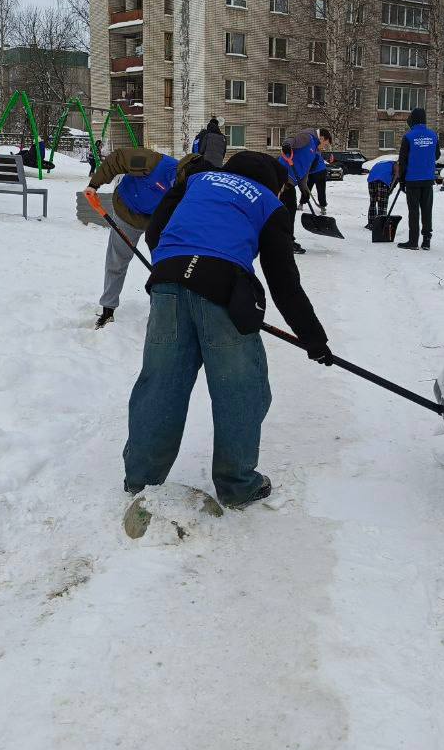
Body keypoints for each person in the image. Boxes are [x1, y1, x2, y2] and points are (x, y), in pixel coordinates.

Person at [124, 151, 332, 507]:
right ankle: (238, 485)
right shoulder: (269, 203)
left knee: (161, 384)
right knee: (242, 389)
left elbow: (156, 232)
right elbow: (284, 281)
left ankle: (141, 479)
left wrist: (176, 268)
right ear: (276, 185)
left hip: (167, 284)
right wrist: (314, 339)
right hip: (222, 291)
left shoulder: (194, 182)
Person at [84, 145, 180, 329]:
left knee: (164, 264)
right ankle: (108, 309)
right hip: (127, 210)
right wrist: (94, 184)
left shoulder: (188, 188)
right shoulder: (152, 163)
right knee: (117, 260)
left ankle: (163, 308)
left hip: (158, 220)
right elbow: (118, 158)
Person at [396, 108, 438, 250]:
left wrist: (401, 181)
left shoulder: (408, 137)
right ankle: (426, 240)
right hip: (428, 179)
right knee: (427, 210)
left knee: (414, 211)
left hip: (412, 180)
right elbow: (437, 155)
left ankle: (413, 242)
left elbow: (402, 161)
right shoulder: (433, 136)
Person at [365, 158, 398, 228]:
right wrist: (391, 189)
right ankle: (381, 225)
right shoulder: (395, 165)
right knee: (382, 204)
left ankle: (371, 223)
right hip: (382, 181)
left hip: (371, 180)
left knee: (373, 202)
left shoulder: (382, 162)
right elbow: (396, 177)